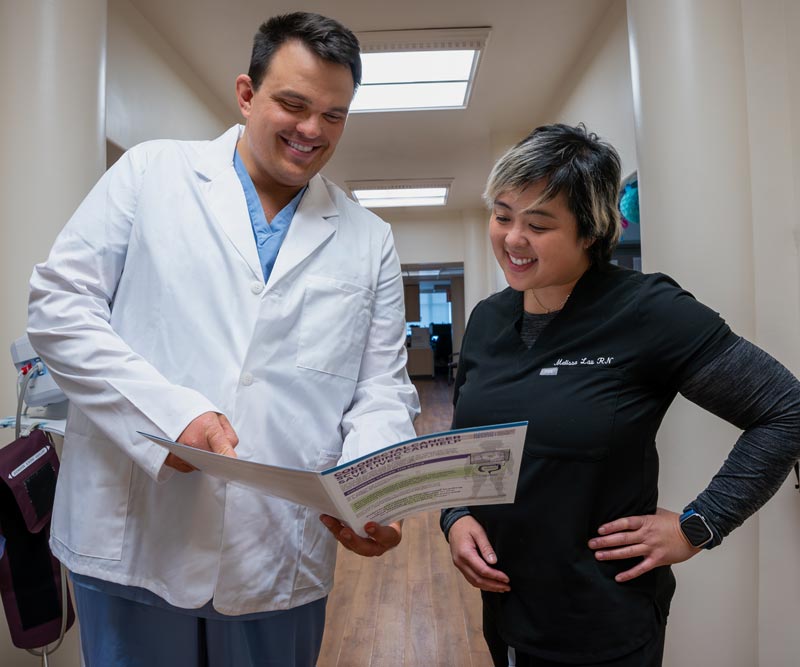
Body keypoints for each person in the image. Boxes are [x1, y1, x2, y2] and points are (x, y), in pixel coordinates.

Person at [26, 12, 419, 667]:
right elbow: (59, 309)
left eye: (334, 115)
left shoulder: (368, 239)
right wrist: (169, 413)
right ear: (246, 93)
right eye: (293, 104)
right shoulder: (151, 174)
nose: (311, 130)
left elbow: (380, 385)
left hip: (277, 552)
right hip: (135, 539)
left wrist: (373, 486)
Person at [440, 123, 800, 667]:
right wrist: (455, 513)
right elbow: (468, 441)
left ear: (590, 231)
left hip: (603, 619)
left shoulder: (646, 310)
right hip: (507, 604)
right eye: (502, 215)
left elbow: (785, 409)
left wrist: (699, 525)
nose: (513, 238)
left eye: (538, 224)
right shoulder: (489, 319)